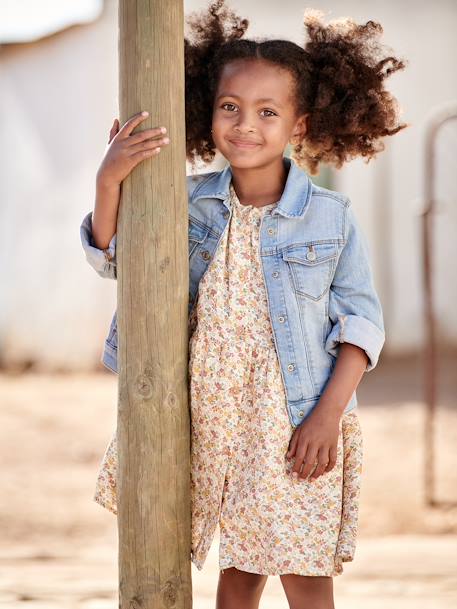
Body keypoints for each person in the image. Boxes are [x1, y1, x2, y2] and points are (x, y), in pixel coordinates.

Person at [80, 2, 407, 607]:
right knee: (239, 577)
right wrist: (109, 182)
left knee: (305, 577)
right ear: (209, 111)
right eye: (230, 107)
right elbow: (117, 262)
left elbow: (362, 325)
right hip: (212, 416)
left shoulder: (330, 217)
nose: (244, 125)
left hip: (295, 420)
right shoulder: (186, 203)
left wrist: (326, 416)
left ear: (300, 126)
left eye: (267, 112)